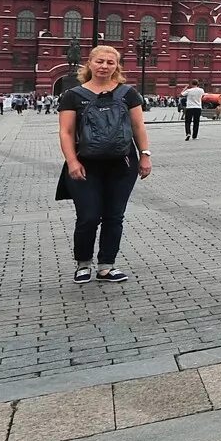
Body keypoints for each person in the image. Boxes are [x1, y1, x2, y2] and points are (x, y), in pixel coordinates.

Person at [57, 45, 152, 283]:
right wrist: (72, 161)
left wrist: (145, 155)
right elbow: (66, 132)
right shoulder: (73, 95)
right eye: (100, 61)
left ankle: (106, 266)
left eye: (110, 63)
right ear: (89, 64)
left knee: (114, 216)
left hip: (123, 163)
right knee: (88, 216)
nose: (104, 66)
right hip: (86, 164)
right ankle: (83, 264)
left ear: (117, 66)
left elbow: (139, 126)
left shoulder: (128, 93)